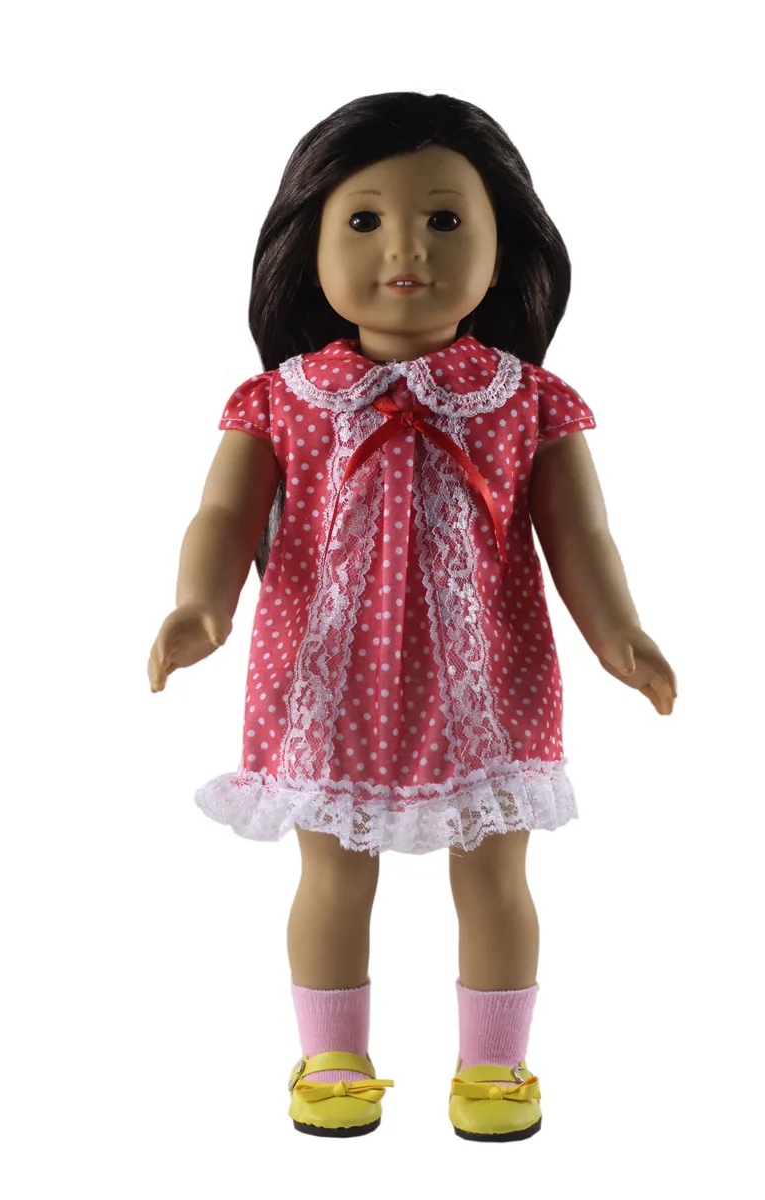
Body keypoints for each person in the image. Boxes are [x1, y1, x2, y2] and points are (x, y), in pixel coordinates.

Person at [147, 92, 677, 1141]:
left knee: (496, 873)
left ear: (500, 243)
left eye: (443, 219)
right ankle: (332, 1059)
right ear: (306, 244)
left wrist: (621, 634)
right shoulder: (281, 399)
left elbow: (580, 536)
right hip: (326, 678)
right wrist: (197, 607)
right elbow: (221, 514)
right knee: (332, 874)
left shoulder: (525, 398)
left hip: (486, 681)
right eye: (364, 220)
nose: (405, 249)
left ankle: (495, 1067)